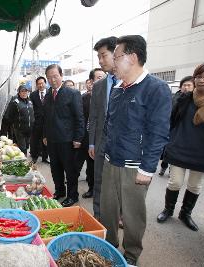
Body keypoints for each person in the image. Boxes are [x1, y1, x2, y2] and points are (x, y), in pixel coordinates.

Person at [100, 35, 171, 265]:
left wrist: (148, 169)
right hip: (112, 161)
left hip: (135, 166)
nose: (113, 62)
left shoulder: (156, 88)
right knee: (108, 211)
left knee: (132, 216)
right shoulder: (118, 89)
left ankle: (130, 256)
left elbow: (158, 132)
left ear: (131, 57)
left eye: (117, 56)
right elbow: (109, 124)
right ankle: (108, 247)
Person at [156, 60, 204, 232]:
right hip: (180, 147)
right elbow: (170, 120)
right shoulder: (185, 98)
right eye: (199, 76)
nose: (202, 80)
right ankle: (168, 210)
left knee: (194, 186)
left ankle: (185, 214)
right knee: (175, 182)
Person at [43, 64, 84, 207]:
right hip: (52, 140)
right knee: (55, 169)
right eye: (49, 77)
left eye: (55, 76)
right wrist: (45, 135)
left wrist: (78, 138)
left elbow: (79, 117)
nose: (52, 80)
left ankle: (73, 196)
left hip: (68, 140)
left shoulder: (72, 93)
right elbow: (45, 117)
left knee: (70, 170)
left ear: (61, 76)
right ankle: (60, 191)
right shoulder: (48, 95)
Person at [88, 36, 118, 219]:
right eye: (98, 57)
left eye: (103, 55)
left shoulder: (128, 82)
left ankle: (117, 215)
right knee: (98, 181)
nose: (100, 61)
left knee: (117, 184)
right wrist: (91, 144)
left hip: (121, 145)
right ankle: (98, 216)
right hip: (100, 143)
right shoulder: (99, 86)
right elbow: (94, 117)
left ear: (117, 53)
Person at [159, 75, 195, 176]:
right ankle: (163, 166)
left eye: (189, 85)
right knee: (168, 150)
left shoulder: (196, 100)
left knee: (178, 153)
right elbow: (168, 112)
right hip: (173, 129)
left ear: (194, 87)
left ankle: (172, 169)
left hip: (187, 131)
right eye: (184, 85)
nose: (186, 87)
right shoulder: (175, 97)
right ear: (180, 87)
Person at [79, 69, 105, 199]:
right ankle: (92, 188)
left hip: (104, 137)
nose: (102, 79)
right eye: (99, 77)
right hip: (89, 136)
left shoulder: (110, 95)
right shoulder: (84, 98)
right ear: (92, 81)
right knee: (90, 166)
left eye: (103, 77)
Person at [4, 85, 34, 155]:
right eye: (22, 91)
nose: (24, 93)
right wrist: (13, 126)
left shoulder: (30, 102)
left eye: (26, 91)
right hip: (20, 130)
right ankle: (24, 163)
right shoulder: (15, 102)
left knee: (26, 146)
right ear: (19, 93)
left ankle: (23, 159)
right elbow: (8, 116)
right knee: (22, 148)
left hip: (29, 129)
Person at [29, 76, 49, 163]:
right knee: (35, 140)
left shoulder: (50, 93)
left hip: (48, 122)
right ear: (36, 85)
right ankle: (34, 156)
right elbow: (31, 108)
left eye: (42, 83)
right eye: (38, 84)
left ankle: (45, 157)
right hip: (37, 122)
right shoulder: (33, 95)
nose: (40, 85)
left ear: (45, 83)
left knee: (46, 139)